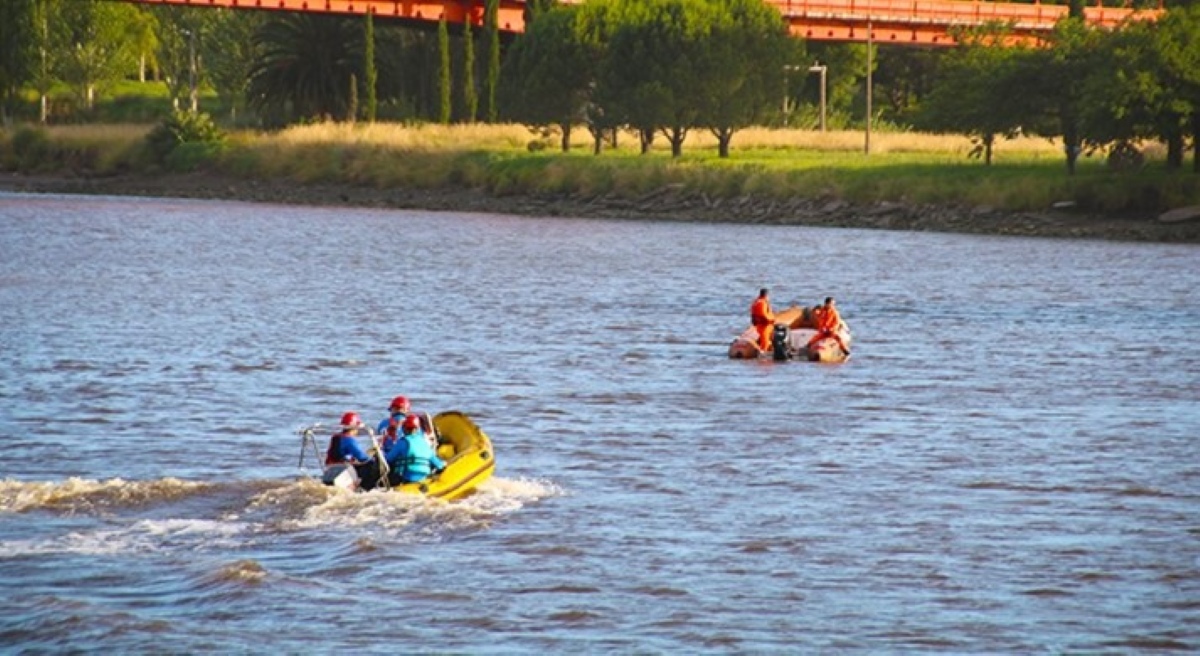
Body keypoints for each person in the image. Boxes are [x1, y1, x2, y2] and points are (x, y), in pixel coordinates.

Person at [325, 411, 383, 490]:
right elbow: (362, 457)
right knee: (371, 465)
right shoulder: (349, 440)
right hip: (343, 468)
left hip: (331, 466)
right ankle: (366, 488)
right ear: (355, 428)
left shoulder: (336, 437)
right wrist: (374, 457)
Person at [385, 414, 446, 486]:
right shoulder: (424, 443)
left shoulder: (402, 442)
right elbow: (438, 464)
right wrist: (443, 463)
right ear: (418, 428)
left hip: (406, 478)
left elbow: (388, 459)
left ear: (404, 428)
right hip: (424, 478)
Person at [750, 288, 775, 352]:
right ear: (766, 295)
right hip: (764, 325)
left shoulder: (756, 301)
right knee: (765, 342)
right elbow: (763, 314)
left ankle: (764, 351)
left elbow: (753, 313)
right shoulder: (762, 303)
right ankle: (762, 354)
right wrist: (771, 320)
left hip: (759, 324)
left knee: (766, 340)